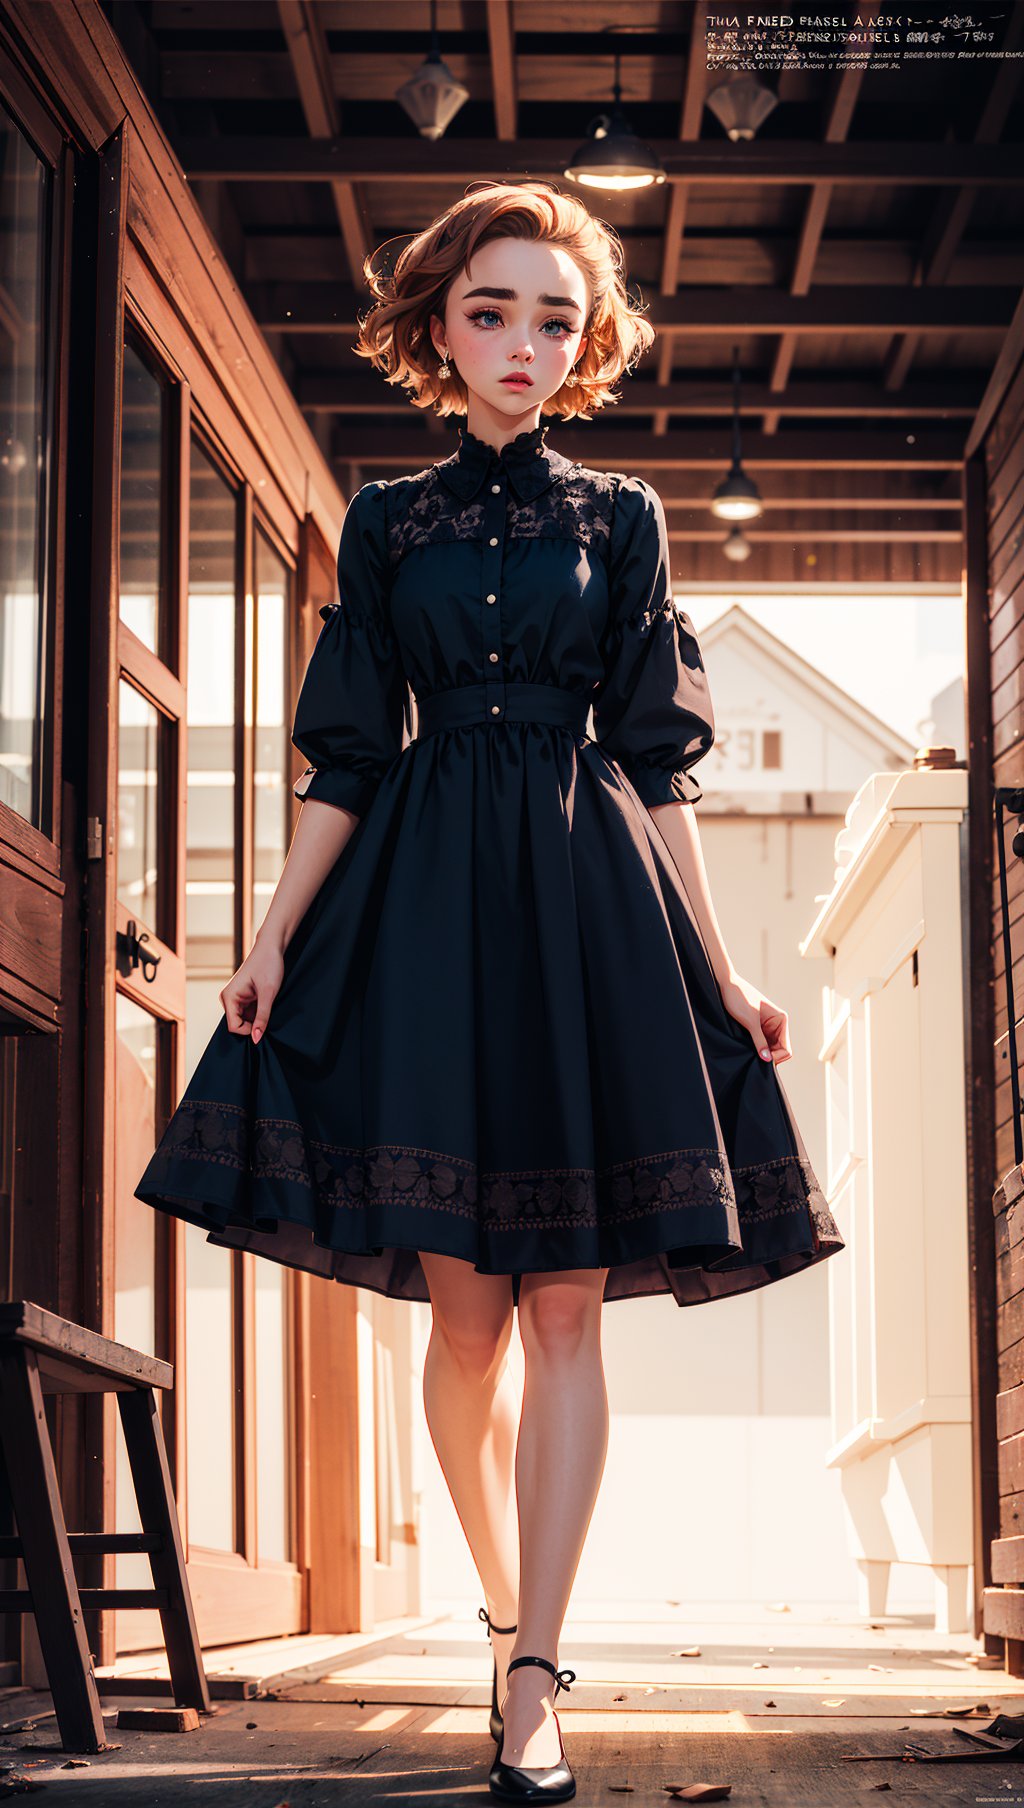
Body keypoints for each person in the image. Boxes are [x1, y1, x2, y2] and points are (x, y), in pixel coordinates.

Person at [135, 180, 843, 1804]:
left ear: (581, 347)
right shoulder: (388, 520)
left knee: (570, 1302)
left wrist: (724, 971)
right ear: (439, 325)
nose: (526, 343)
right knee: (467, 1321)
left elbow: (659, 767)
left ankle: (535, 1670)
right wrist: (267, 937)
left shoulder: (627, 519)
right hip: (428, 904)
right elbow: (344, 756)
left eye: (556, 319)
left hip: (591, 903)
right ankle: (511, 1604)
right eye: (493, 312)